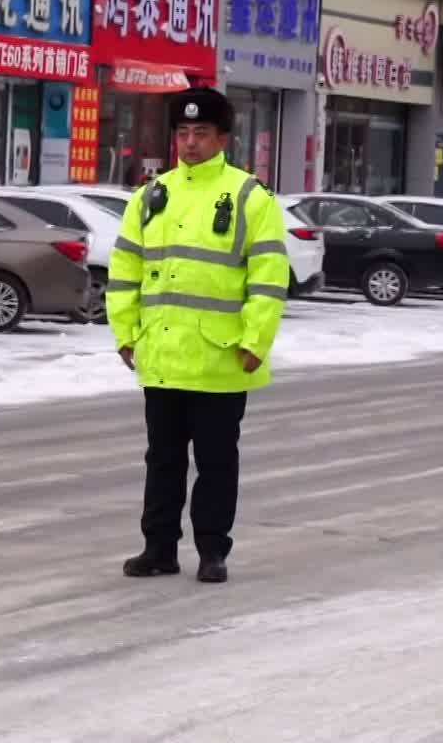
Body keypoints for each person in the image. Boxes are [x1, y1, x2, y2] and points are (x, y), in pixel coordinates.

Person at [108, 87, 290, 585]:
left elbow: (269, 276)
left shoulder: (250, 196)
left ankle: (213, 551)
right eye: (183, 134)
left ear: (222, 138)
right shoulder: (151, 195)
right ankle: (159, 547)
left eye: (201, 134)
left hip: (221, 359)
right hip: (162, 354)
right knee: (161, 459)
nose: (190, 143)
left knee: (215, 462)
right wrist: (125, 333)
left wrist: (256, 341)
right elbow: (125, 268)